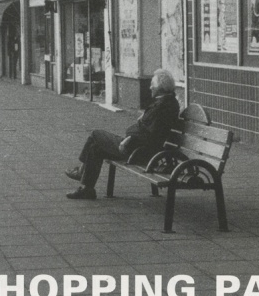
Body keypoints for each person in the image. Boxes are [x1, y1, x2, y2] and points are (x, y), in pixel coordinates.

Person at [65, 68, 180, 200]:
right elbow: (147, 130)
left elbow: (150, 134)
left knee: (96, 134)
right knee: (95, 148)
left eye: (152, 84)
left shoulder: (163, 106)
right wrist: (135, 129)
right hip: (139, 147)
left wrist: (129, 137)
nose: (149, 87)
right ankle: (87, 189)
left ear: (161, 88)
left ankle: (81, 172)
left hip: (138, 151)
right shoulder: (165, 102)